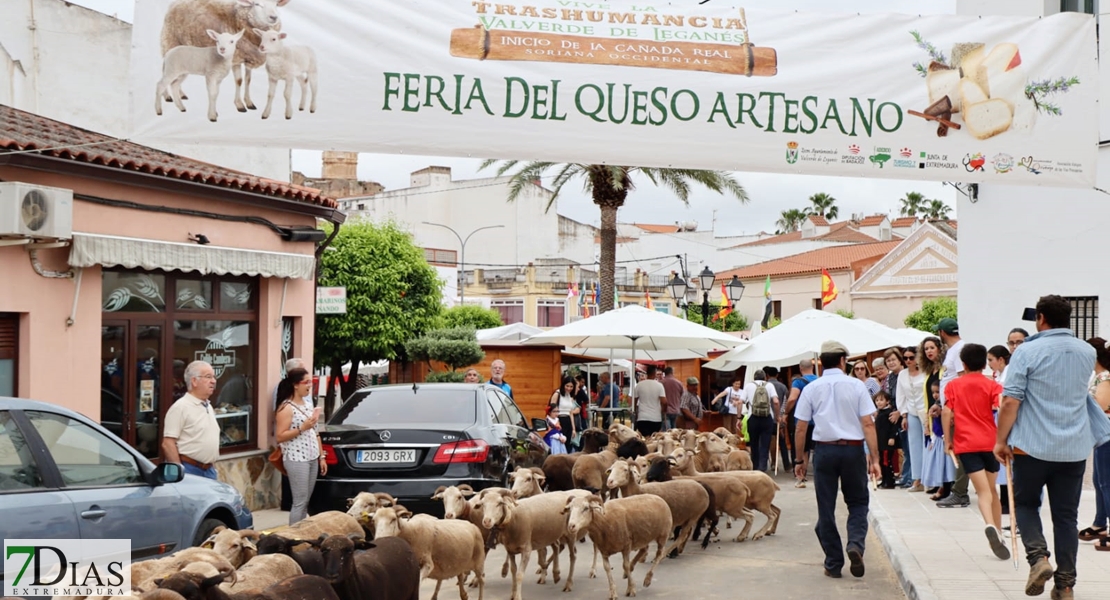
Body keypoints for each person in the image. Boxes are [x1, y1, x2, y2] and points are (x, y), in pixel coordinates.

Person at [995, 295, 1110, 600]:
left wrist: (1000, 440)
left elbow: (1010, 400)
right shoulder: (1086, 351)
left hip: (1031, 446)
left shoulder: (1027, 350)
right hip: (1073, 447)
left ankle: (1039, 559)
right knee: (1066, 517)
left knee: (1026, 505)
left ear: (1041, 318)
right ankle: (1066, 584)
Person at [794, 340, 881, 580]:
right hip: (852, 451)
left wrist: (799, 460)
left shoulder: (811, 388)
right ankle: (855, 544)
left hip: (824, 451)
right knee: (858, 503)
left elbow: (801, 427)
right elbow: (867, 423)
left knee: (826, 508)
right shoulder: (856, 386)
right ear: (843, 361)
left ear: (821, 362)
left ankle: (833, 563)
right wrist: (874, 459)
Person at [941, 344, 1010, 560]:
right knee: (992, 490)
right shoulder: (993, 385)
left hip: (966, 444)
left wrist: (948, 440)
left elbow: (945, 411)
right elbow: (1002, 407)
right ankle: (998, 533)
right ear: (984, 363)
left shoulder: (953, 385)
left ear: (962, 363)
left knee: (982, 492)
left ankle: (990, 525)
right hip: (990, 442)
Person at [274, 368, 325, 525]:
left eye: (311, 382)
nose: (309, 385)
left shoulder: (309, 405)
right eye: (306, 382)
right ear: (296, 385)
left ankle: (302, 533)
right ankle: (294, 535)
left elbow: (315, 432)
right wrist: (302, 428)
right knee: (299, 501)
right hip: (297, 458)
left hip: (312, 456)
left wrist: (321, 456)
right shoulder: (286, 408)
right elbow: (280, 436)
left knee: (306, 501)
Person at [161, 360, 220, 479]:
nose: (213, 381)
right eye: (208, 377)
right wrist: (180, 472)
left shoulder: (207, 405)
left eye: (213, 377)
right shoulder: (180, 407)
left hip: (208, 470)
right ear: (194, 381)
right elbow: (168, 443)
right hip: (189, 470)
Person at [935, 318, 970, 508]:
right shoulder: (955, 350)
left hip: (956, 408)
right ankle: (959, 490)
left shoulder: (958, 350)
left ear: (942, 333)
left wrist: (955, 409)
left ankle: (960, 492)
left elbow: (961, 379)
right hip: (950, 406)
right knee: (957, 449)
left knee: (960, 450)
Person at [1082, 337, 1110, 550]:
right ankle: (1100, 523)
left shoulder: (1105, 377)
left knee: (1106, 483)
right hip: (1099, 436)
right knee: (1099, 480)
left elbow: (1101, 406)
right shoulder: (1098, 376)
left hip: (1106, 434)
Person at [921, 337, 956, 500]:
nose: (928, 351)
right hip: (933, 414)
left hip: (943, 413)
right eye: (926, 348)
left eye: (931, 348)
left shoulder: (945, 369)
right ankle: (940, 483)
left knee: (944, 450)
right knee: (935, 451)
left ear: (939, 349)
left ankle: (947, 486)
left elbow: (945, 392)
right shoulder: (930, 371)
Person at [784, 359, 818, 488]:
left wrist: (786, 412)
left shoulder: (798, 381)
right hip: (818, 419)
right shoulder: (819, 380)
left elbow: (792, 398)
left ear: (800, 368)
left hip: (804, 419)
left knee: (802, 448)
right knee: (811, 448)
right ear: (813, 367)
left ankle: (801, 475)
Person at [896, 346, 927, 493]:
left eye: (911, 358)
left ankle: (931, 479)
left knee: (929, 445)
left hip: (926, 411)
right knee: (914, 446)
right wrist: (904, 414)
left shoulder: (926, 371)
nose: (908, 361)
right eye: (905, 358)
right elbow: (900, 395)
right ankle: (917, 479)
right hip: (912, 411)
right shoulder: (902, 374)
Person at [987, 345, 1013, 515]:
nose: (989, 364)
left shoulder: (1009, 372)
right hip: (997, 414)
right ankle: (1004, 498)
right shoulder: (999, 375)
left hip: (1005, 416)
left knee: (1006, 459)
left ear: (1001, 360)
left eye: (990, 360)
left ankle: (1008, 499)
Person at [744, 369, 780, 472]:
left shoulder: (748, 386)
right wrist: (777, 416)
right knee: (765, 444)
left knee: (753, 443)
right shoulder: (769, 385)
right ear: (765, 377)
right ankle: (762, 467)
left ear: (754, 378)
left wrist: (738, 418)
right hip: (767, 417)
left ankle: (755, 466)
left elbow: (740, 402)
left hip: (752, 417)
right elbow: (776, 402)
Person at [764, 366, 790, 471]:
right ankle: (786, 464)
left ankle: (771, 464)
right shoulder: (783, 386)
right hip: (779, 418)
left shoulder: (764, 386)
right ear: (777, 375)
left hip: (766, 417)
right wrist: (782, 415)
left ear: (767, 375)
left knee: (767, 441)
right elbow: (785, 402)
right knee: (782, 441)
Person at [873, 390, 900, 489]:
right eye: (877, 400)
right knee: (882, 462)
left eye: (881, 400)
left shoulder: (889, 413)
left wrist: (892, 437)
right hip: (881, 442)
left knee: (887, 462)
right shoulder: (879, 413)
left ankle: (889, 481)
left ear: (887, 401)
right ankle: (884, 480)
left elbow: (893, 426)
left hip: (887, 442)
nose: (879, 402)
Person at [633, 365, 666, 436]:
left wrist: (635, 412)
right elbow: (664, 402)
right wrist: (663, 411)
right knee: (653, 439)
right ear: (655, 374)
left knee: (645, 439)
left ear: (646, 373)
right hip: (656, 418)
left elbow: (634, 401)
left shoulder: (639, 385)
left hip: (642, 418)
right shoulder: (659, 385)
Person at [548, 377, 580, 450]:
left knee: (568, 443)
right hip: (559, 420)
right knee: (560, 443)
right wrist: (555, 424)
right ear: (563, 385)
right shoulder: (557, 393)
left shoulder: (569, 395)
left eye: (571, 386)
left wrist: (573, 429)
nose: (569, 388)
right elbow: (551, 409)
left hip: (568, 420)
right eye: (567, 386)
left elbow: (570, 412)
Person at [661, 367, 684, 431]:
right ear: (672, 372)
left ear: (664, 373)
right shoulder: (679, 383)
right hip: (676, 410)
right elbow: (682, 395)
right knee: (674, 432)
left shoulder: (661, 383)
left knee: (667, 431)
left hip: (665, 410)